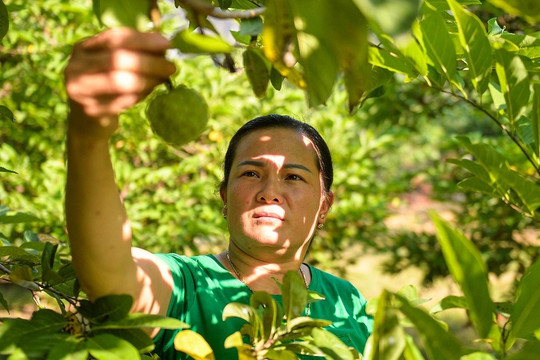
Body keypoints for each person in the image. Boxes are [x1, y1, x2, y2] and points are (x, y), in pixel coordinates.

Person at [64, 28, 373, 359]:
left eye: (293, 177)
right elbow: (111, 274)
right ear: (225, 197)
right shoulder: (185, 286)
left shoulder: (347, 301)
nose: (270, 192)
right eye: (251, 173)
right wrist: (89, 133)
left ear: (324, 205)